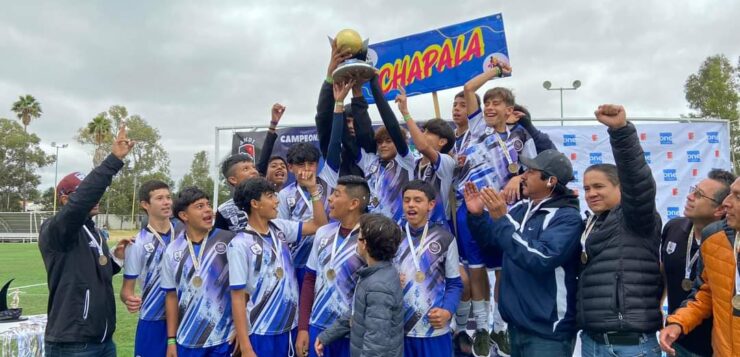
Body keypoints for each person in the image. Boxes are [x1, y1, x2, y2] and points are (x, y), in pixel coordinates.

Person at [464, 149, 583, 356]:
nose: (523, 176)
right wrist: (477, 216)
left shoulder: (567, 218)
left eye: (531, 171)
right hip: (517, 327)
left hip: (548, 333)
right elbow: (492, 243)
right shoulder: (523, 209)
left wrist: (502, 219)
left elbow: (539, 258)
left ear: (550, 181)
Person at [457, 63, 537, 357]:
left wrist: (518, 176)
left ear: (510, 110)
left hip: (504, 212)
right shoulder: (477, 126)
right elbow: (468, 89)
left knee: (504, 271)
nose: (489, 107)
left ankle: (500, 329)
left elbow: (534, 171)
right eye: (487, 102)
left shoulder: (521, 137)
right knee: (476, 270)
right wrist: (495, 73)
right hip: (472, 211)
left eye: (496, 103)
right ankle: (480, 329)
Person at [39, 125, 134, 356]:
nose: (94, 199)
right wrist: (113, 161)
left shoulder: (92, 230)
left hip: (102, 340)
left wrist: (116, 259)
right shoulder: (57, 229)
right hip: (73, 344)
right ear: (64, 199)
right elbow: (82, 200)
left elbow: (92, 274)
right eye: (83, 194)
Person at [578, 105, 663, 356]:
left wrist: (621, 132)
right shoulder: (591, 223)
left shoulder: (636, 216)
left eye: (598, 186)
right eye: (586, 188)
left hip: (631, 347)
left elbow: (638, 181)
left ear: (620, 188)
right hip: (592, 343)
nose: (591, 193)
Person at [229, 175, 329, 357]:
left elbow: (320, 226)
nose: (277, 201)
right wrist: (246, 347)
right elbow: (237, 297)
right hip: (261, 330)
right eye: (270, 196)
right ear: (255, 203)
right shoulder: (239, 244)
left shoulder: (279, 227)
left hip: (290, 327)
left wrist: (314, 191)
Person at [659, 177, 740, 357]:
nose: (727, 203)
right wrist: (678, 322)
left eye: (738, 197)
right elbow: (706, 292)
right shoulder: (715, 238)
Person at [296, 175, 371, 357]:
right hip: (318, 327)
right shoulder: (323, 232)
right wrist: (303, 327)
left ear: (353, 203)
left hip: (352, 332)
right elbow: (309, 279)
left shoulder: (371, 236)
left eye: (336, 194)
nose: (329, 198)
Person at [160, 187, 238, 357]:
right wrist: (171, 340)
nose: (208, 209)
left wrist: (241, 327)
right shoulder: (172, 251)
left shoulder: (229, 240)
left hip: (225, 339)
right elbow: (171, 296)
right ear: (184, 215)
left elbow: (244, 289)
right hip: (188, 339)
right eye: (200, 206)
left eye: (208, 205)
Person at [315, 214, 404, 357]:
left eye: (359, 236)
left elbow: (375, 344)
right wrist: (327, 336)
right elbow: (356, 313)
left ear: (365, 244)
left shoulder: (378, 287)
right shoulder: (376, 274)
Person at [396, 180, 462, 357]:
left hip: (433, 330)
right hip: (398, 331)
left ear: (431, 205)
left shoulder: (445, 238)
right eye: (407, 200)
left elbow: (455, 284)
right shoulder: (392, 236)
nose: (411, 205)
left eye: (418, 200)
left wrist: (447, 311)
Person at [121, 180, 183, 357]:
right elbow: (126, 291)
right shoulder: (136, 243)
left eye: (169, 197)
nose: (167, 202)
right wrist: (129, 300)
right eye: (160, 198)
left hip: (185, 318)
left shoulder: (185, 236)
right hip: (152, 320)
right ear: (145, 205)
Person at [355, 74, 416, 223]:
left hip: (400, 230)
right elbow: (362, 126)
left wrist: (374, 83)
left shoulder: (405, 161)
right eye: (380, 142)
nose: (383, 145)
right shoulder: (370, 161)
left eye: (389, 141)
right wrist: (356, 92)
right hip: (373, 230)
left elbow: (392, 126)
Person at [395, 87, 456, 227]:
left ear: (442, 142)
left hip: (438, 228)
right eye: (424, 131)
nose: (422, 135)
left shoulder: (447, 162)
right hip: (412, 226)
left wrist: (405, 113)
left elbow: (423, 146)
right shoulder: (414, 163)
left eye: (428, 133)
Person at [214, 153, 260, 232]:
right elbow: (219, 241)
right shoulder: (224, 210)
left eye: (254, 167)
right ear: (233, 180)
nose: (254, 171)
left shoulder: (274, 200)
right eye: (246, 169)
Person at [256, 103, 289, 190]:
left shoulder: (293, 196)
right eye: (274, 166)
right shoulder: (259, 193)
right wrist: (273, 124)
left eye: (283, 166)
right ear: (265, 173)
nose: (279, 167)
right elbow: (264, 158)